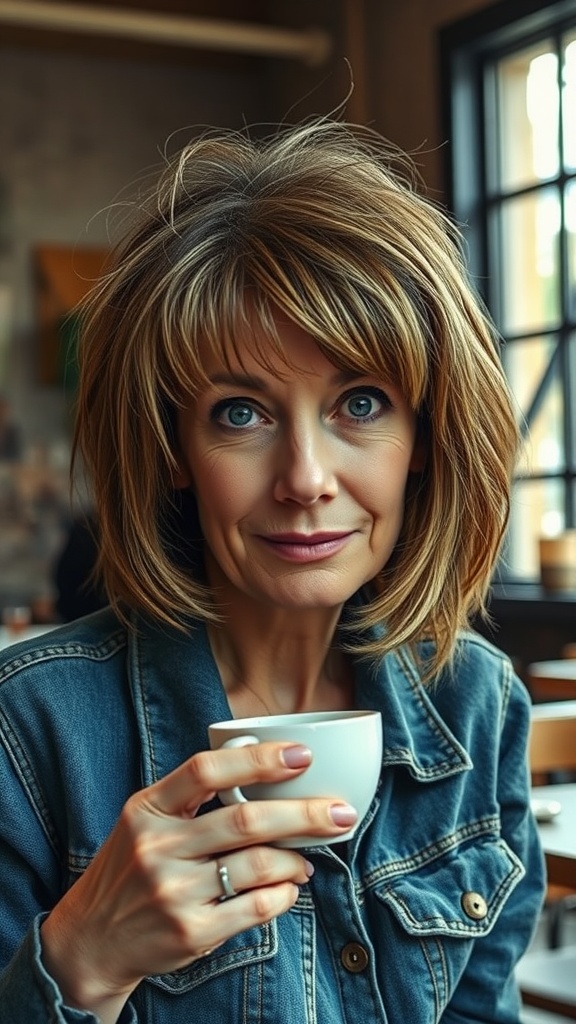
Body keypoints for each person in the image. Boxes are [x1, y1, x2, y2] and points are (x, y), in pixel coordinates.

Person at [0, 118, 544, 1024]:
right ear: (175, 445)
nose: (305, 479)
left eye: (360, 403)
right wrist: (82, 964)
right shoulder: (30, 733)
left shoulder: (477, 707)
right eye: (241, 413)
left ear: (425, 435)